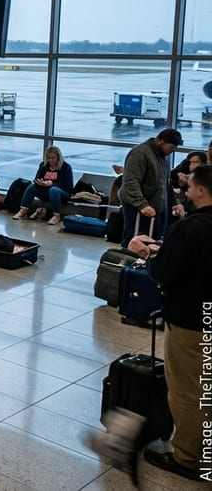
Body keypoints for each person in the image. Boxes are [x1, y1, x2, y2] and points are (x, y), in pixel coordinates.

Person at [126, 164, 211, 481]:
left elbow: (163, 272)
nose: (186, 193)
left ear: (201, 190)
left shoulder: (192, 227)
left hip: (192, 319)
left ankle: (190, 458)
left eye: (190, 188)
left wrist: (149, 255)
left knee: (188, 389)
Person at [118, 128, 184, 246]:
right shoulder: (140, 153)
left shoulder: (162, 156)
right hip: (138, 206)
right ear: (160, 141)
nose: (171, 152)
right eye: (170, 148)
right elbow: (131, 181)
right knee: (135, 240)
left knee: (153, 241)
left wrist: (173, 203)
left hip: (155, 206)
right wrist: (142, 205)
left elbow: (166, 183)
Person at [12, 146, 75, 224]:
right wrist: (40, 182)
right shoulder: (43, 166)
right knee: (32, 187)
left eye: (53, 158)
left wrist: (52, 184)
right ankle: (23, 210)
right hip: (46, 191)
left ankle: (56, 216)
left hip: (61, 193)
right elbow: (36, 179)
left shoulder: (66, 167)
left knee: (54, 190)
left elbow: (69, 187)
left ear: (58, 158)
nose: (51, 160)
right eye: (49, 158)